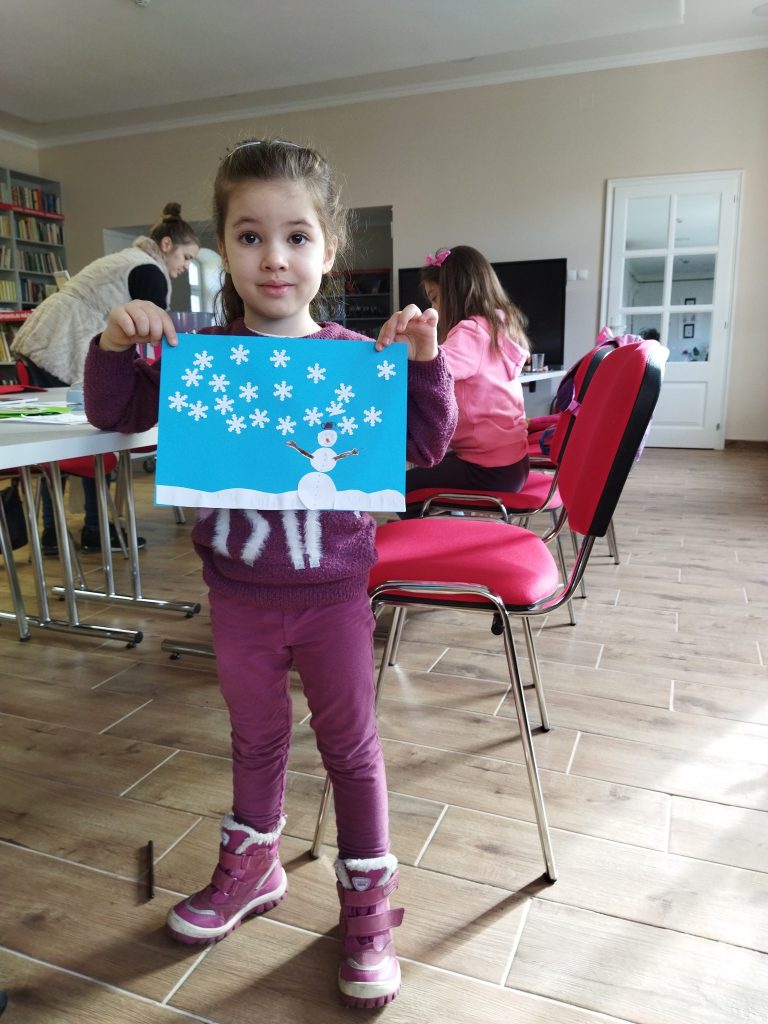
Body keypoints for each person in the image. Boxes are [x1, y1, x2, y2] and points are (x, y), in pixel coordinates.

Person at [83, 138, 457, 1008]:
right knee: (255, 740)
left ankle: (368, 906)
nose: (274, 258)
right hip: (239, 598)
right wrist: (114, 341)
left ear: (329, 248)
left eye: (296, 237)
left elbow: (426, 444)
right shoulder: (199, 357)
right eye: (250, 237)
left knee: (351, 749)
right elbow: (114, 411)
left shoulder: (356, 357)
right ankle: (254, 867)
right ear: (222, 247)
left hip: (333, 599)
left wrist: (424, 365)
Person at [12, 203, 200, 555]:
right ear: (166, 245)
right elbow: (153, 334)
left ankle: (55, 532)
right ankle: (96, 528)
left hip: (42, 337)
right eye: (186, 257)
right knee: (93, 436)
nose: (185, 267)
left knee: (61, 442)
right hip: (64, 342)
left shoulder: (126, 258)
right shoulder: (150, 271)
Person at [400, 245, 531, 517]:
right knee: (429, 468)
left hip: (489, 470)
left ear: (455, 294)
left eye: (436, 298)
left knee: (400, 489)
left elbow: (434, 370)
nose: (434, 308)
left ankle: (447, 533)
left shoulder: (470, 333)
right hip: (512, 463)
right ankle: (452, 522)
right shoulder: (496, 325)